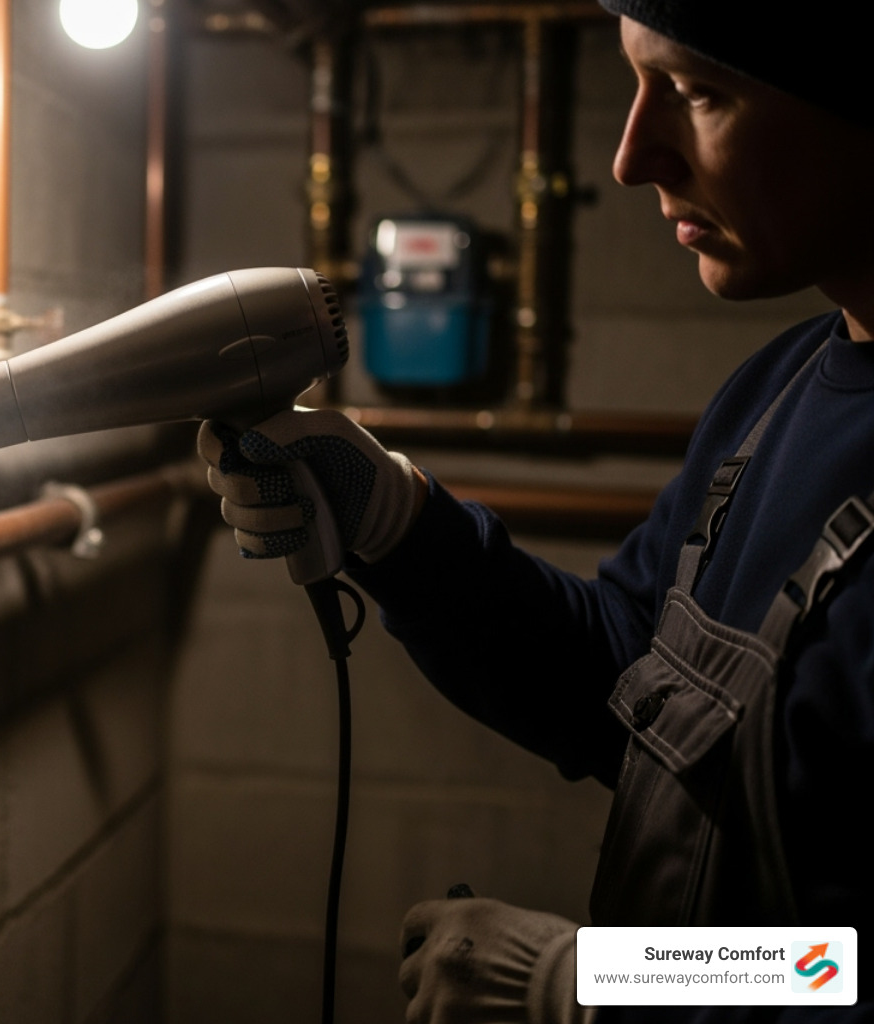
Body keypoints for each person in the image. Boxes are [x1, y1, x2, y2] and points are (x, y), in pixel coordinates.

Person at [200, 2, 874, 1022]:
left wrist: (590, 983)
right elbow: (625, 673)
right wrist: (393, 520)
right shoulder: (776, 391)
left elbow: (851, 966)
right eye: (637, 79)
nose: (632, 155)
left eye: (700, 92)